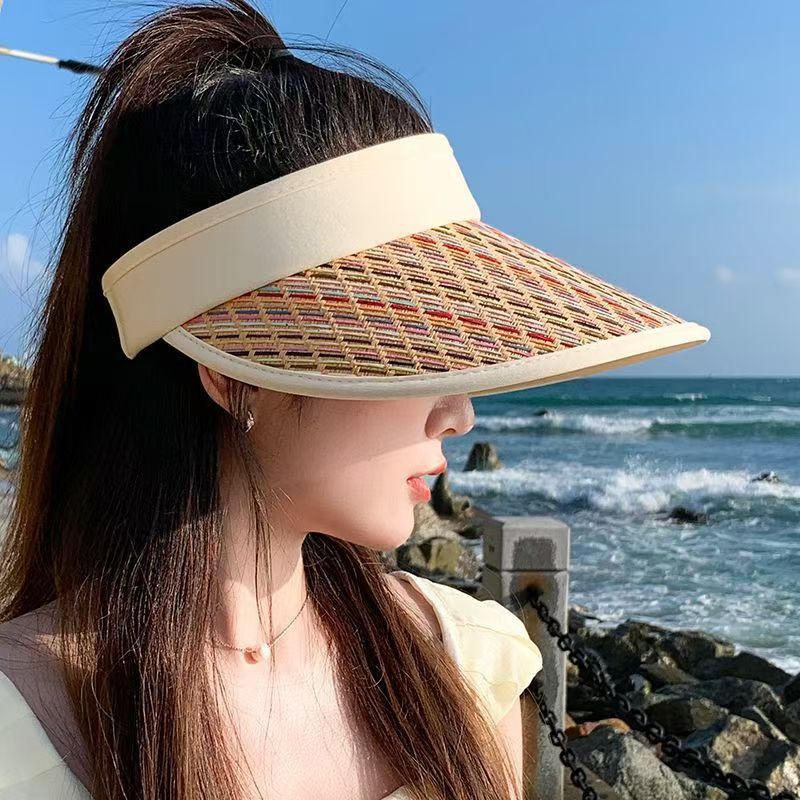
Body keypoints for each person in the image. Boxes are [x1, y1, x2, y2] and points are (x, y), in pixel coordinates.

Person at [0, 2, 709, 798]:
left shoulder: (468, 666)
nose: (459, 413)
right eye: (411, 349)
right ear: (232, 371)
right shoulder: (17, 730)